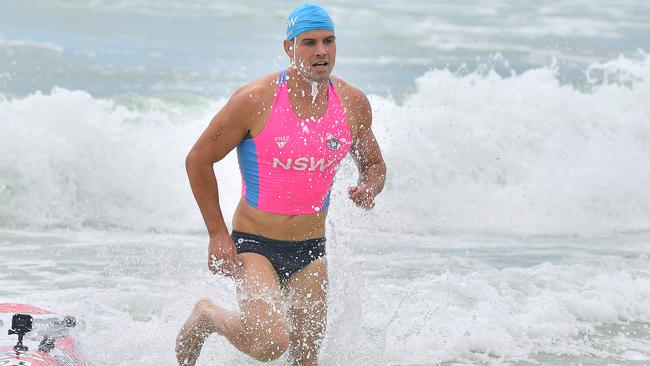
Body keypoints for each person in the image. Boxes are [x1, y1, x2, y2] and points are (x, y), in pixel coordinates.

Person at [175, 3, 386, 365]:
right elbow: (198, 159)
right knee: (269, 343)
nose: (321, 51)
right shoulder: (255, 100)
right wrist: (216, 234)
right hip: (256, 245)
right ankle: (208, 315)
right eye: (309, 43)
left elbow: (374, 164)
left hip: (310, 249)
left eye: (328, 41)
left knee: (305, 358)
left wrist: (370, 186)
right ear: (289, 47)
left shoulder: (352, 103)